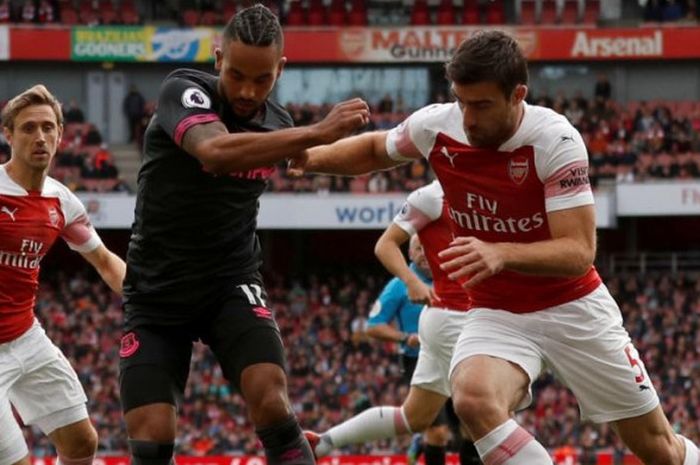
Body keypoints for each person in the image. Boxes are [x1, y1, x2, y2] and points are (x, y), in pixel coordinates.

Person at [289, 30, 700, 465]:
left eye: (481, 105)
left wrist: (501, 251)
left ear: (517, 94)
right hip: (496, 312)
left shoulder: (555, 141)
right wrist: (311, 158)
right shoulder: (438, 124)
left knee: (660, 451)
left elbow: (579, 251)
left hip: (573, 307)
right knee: (471, 399)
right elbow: (375, 149)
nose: (467, 117)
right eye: (461, 101)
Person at [119, 5, 369, 465]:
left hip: (229, 283)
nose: (248, 91)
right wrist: (315, 132)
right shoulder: (184, 90)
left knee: (272, 402)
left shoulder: (280, 124)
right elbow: (214, 151)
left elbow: (327, 158)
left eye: (263, 79)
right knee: (152, 440)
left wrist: (407, 144)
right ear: (217, 60)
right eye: (236, 75)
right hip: (157, 292)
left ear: (281, 70)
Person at [308, 181, 481, 465]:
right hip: (445, 330)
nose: (425, 253)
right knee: (475, 422)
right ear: (413, 251)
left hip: (444, 327)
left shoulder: (444, 259)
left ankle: (325, 442)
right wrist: (404, 335)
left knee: (421, 418)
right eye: (419, 248)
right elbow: (374, 324)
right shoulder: (399, 284)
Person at [0, 84, 126, 465]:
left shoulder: (62, 201)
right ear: (8, 135)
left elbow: (105, 261)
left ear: (60, 134)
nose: (40, 136)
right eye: (28, 128)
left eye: (48, 127)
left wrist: (154, 303)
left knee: (81, 444)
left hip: (27, 338)